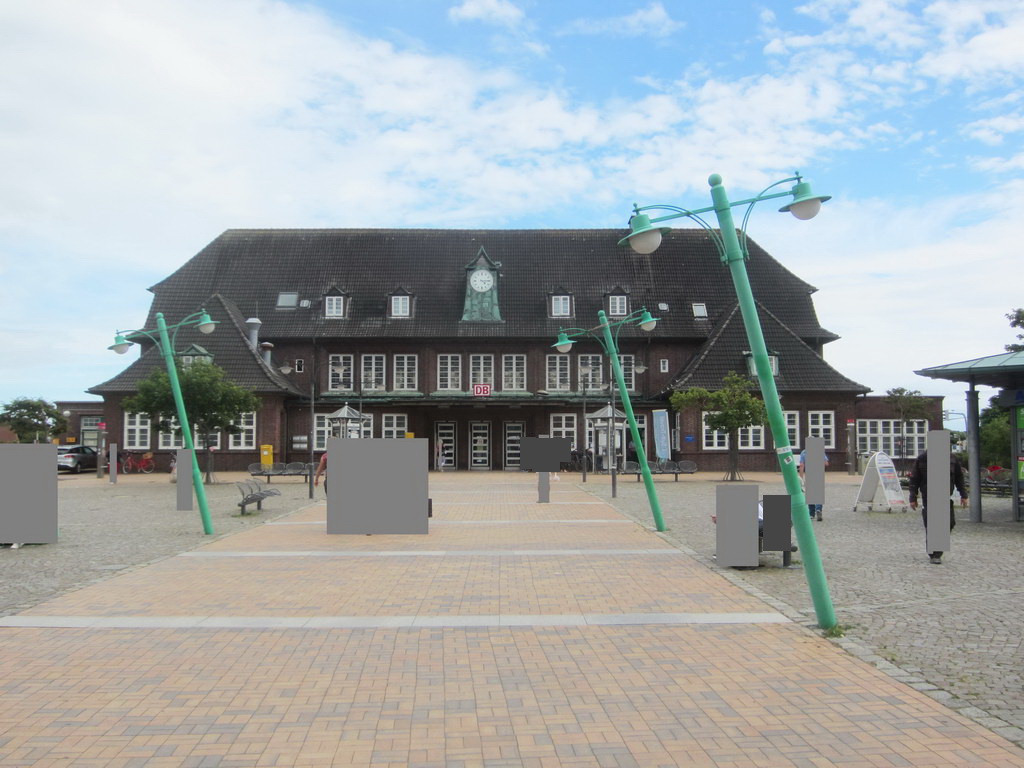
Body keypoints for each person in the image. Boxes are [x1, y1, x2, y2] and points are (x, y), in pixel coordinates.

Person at [909, 450, 967, 564]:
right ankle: (935, 554)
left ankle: (937, 548)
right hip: (929, 495)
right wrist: (913, 497)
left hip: (945, 495)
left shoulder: (951, 458)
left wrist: (963, 495)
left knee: (950, 523)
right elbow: (915, 478)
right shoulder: (923, 458)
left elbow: (959, 477)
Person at [798, 448, 830, 521]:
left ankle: (811, 514)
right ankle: (818, 509)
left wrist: (801, 478)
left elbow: (801, 465)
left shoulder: (804, 452)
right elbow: (826, 463)